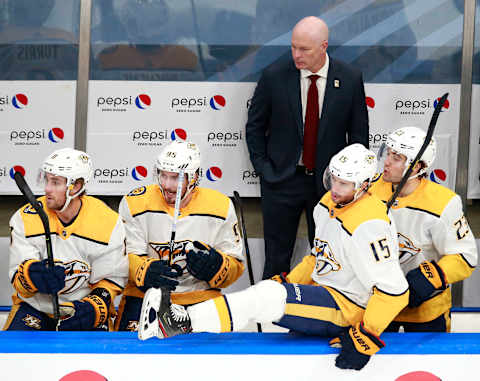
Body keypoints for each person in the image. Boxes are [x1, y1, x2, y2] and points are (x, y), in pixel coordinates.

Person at [138, 143, 409, 371]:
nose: (335, 188)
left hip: (349, 308)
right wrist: (288, 280)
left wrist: (367, 335)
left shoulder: (370, 224)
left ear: (363, 186)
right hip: (327, 293)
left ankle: (179, 322)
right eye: (333, 179)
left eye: (344, 183)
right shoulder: (328, 203)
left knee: (266, 297)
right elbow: (318, 257)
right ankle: (178, 320)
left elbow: (394, 291)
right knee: (268, 292)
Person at [246, 16, 369, 279]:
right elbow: (254, 127)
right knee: (276, 258)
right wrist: (265, 169)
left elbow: (359, 137)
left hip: (330, 187)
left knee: (328, 258)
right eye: (293, 47)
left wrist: (350, 183)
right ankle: (270, 315)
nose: (296, 55)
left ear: (324, 46)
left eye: (304, 49)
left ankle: (319, 314)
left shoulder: (349, 78)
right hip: (281, 182)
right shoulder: (274, 76)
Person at [115, 140, 244, 331]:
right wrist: (144, 270)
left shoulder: (221, 206)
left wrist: (217, 266)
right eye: (163, 176)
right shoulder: (135, 202)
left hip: (200, 297)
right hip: (145, 296)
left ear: (194, 177)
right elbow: (122, 257)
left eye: (175, 178)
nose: (167, 185)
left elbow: (236, 263)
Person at [4, 148, 128, 331]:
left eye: (55, 182)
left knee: (95, 358)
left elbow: (111, 280)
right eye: (46, 180)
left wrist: (93, 309)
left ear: (76, 187)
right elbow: (19, 278)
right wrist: (33, 275)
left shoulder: (107, 221)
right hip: (36, 308)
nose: (47, 189)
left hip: (83, 307)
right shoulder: (25, 218)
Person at [370, 126, 478, 332]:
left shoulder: (443, 202)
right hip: (379, 305)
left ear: (417, 166)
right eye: (388, 153)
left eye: (397, 157)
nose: (387, 162)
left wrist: (432, 276)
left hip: (426, 309)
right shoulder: (370, 190)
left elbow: (466, 256)